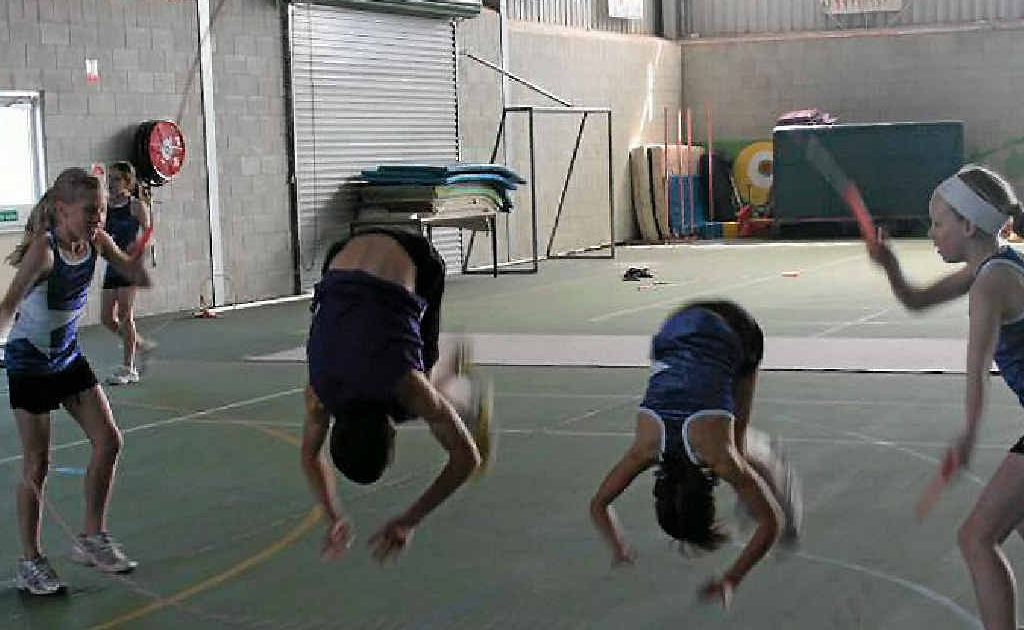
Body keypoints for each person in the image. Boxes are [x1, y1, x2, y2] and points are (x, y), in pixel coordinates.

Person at [870, 164, 1024, 629]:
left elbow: (976, 366)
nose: (932, 233)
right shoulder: (993, 264)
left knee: (977, 538)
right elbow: (916, 301)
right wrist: (891, 265)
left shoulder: (991, 282)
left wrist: (967, 437)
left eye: (938, 223)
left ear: (968, 225)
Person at [590, 300, 802, 609]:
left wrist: (732, 578)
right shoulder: (644, 449)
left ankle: (767, 458)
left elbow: (772, 524)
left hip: (736, 330)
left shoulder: (721, 458)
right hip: (677, 324)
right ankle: (757, 472)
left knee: (740, 451)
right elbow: (598, 505)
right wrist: (615, 543)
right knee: (732, 445)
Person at [0, 167, 151, 595]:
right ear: (62, 210)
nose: (98, 218)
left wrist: (141, 249)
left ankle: (91, 538)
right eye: (90, 210)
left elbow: (134, 274)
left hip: (66, 358)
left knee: (109, 440)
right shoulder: (44, 253)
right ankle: (30, 561)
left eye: (102, 209)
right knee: (37, 464)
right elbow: (9, 304)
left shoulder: (97, 240)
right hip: (30, 361)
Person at [300, 227, 492, 563]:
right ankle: (449, 383)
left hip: (413, 255)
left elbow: (467, 459)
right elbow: (309, 457)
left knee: (419, 394)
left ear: (388, 435)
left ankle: (450, 375)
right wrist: (332, 515)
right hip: (342, 253)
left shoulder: (405, 386)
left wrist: (409, 520)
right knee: (412, 398)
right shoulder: (319, 395)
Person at [99, 162, 154, 385]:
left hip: (130, 265)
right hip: (113, 264)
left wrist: (140, 251)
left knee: (124, 315)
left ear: (127, 182)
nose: (111, 184)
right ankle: (140, 345)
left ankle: (128, 368)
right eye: (109, 179)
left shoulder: (136, 206)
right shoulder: (105, 206)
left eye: (116, 180)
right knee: (106, 318)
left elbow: (148, 233)